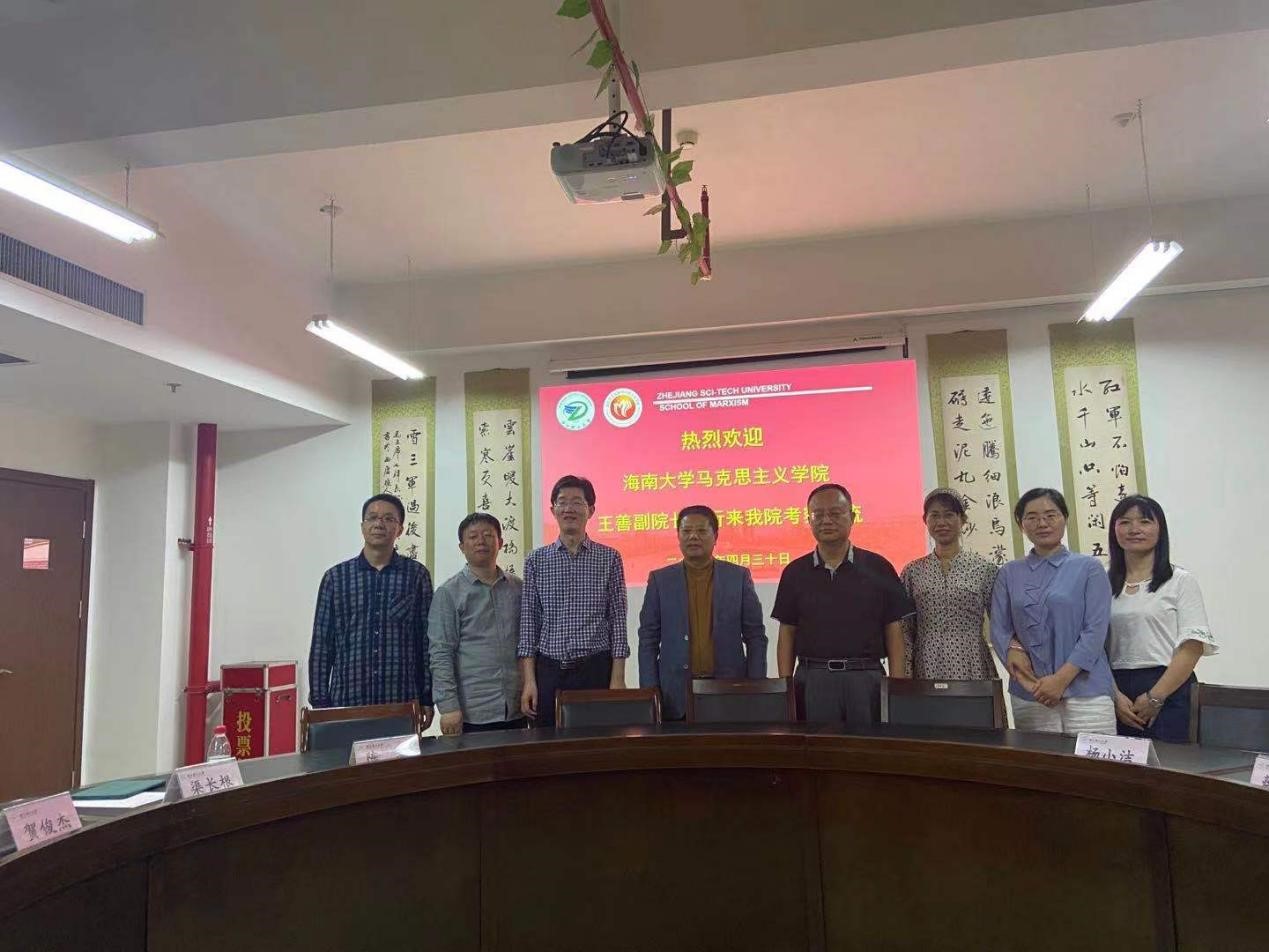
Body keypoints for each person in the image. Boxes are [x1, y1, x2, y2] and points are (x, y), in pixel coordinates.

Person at [773, 483, 909, 725]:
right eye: (818, 515)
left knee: (867, 746)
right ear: (809, 520)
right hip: (813, 679)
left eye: (835, 513)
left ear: (852, 517)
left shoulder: (879, 567)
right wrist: (785, 687)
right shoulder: (794, 572)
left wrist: (897, 686)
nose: (826, 520)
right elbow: (787, 632)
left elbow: (894, 631)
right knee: (817, 747)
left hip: (866, 679)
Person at [989, 488, 1114, 734]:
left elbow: (1095, 631)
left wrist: (1060, 680)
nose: (1042, 523)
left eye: (1050, 515)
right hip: (1031, 693)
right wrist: (1019, 663)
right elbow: (1000, 629)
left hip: (1087, 693)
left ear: (1065, 518)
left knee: (1092, 759)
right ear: (1021, 525)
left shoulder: (1089, 568)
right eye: (1032, 517)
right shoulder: (1008, 573)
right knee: (1039, 760)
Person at [308, 493, 434, 729]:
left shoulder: (416, 575)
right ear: (362, 526)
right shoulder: (336, 578)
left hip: (401, 701)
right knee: (346, 755)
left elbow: (425, 641)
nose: (379, 524)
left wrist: (427, 697)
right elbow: (322, 644)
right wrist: (320, 702)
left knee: (401, 757)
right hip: (347, 701)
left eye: (388, 519)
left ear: (400, 529)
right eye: (372, 518)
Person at [637, 505, 769, 720]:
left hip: (729, 691)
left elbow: (755, 637)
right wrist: (649, 691)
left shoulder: (738, 577)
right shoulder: (660, 580)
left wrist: (755, 685)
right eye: (686, 531)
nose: (693, 537)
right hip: (675, 696)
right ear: (678, 536)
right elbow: (648, 640)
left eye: (701, 531)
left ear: (715, 536)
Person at [517, 475, 628, 727]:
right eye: (562, 502)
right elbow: (529, 623)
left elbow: (618, 620)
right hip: (549, 670)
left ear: (591, 510)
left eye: (577, 502)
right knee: (547, 741)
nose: (569, 508)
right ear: (552, 510)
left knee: (598, 741)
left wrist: (618, 677)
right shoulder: (536, 560)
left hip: (595, 668)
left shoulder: (609, 558)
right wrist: (529, 681)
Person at [1106, 495, 1217, 743]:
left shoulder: (1180, 581)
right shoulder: (1101, 582)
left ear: (1160, 530)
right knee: (1119, 764)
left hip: (1168, 687)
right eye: (1125, 522)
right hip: (1115, 690)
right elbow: (1094, 646)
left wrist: (1155, 697)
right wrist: (1113, 695)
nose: (1134, 529)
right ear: (1114, 530)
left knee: (1169, 763)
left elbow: (1192, 647)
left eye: (1144, 521)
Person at [429, 513, 526, 735]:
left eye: (488, 535)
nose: (481, 541)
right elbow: (441, 652)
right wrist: (448, 707)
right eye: (473, 536)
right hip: (472, 710)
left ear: (500, 542)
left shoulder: (518, 588)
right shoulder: (448, 593)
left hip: (516, 707)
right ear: (462, 547)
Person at [900, 488, 999, 680]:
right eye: (934, 515)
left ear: (962, 519)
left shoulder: (985, 569)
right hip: (926, 665)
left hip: (973, 663)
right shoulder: (912, 572)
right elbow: (905, 629)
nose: (941, 522)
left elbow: (1001, 622)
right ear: (925, 520)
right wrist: (906, 674)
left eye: (949, 515)